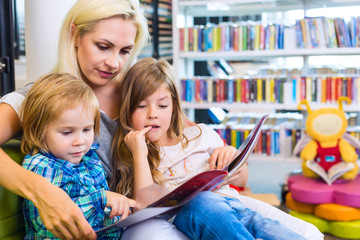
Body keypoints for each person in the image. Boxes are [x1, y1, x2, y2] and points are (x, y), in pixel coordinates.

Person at [0, 0, 188, 239]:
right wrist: (42, 191)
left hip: (165, 211)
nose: (114, 63)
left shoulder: (138, 96)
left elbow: (185, 136)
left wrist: (225, 157)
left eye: (124, 51)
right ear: (75, 35)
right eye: (103, 46)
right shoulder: (40, 98)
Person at [111, 57, 323, 240]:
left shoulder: (201, 135)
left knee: (271, 228)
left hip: (235, 208)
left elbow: (241, 181)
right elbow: (146, 206)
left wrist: (232, 159)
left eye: (162, 105)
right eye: (141, 106)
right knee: (199, 203)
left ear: (174, 106)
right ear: (128, 110)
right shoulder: (133, 151)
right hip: (196, 215)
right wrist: (139, 153)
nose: (152, 114)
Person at [20, 73, 134, 239]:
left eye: (87, 130)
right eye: (67, 132)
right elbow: (50, 227)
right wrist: (101, 199)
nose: (80, 141)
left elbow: (101, 215)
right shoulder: (40, 166)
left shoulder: (90, 158)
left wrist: (122, 209)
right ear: (39, 131)